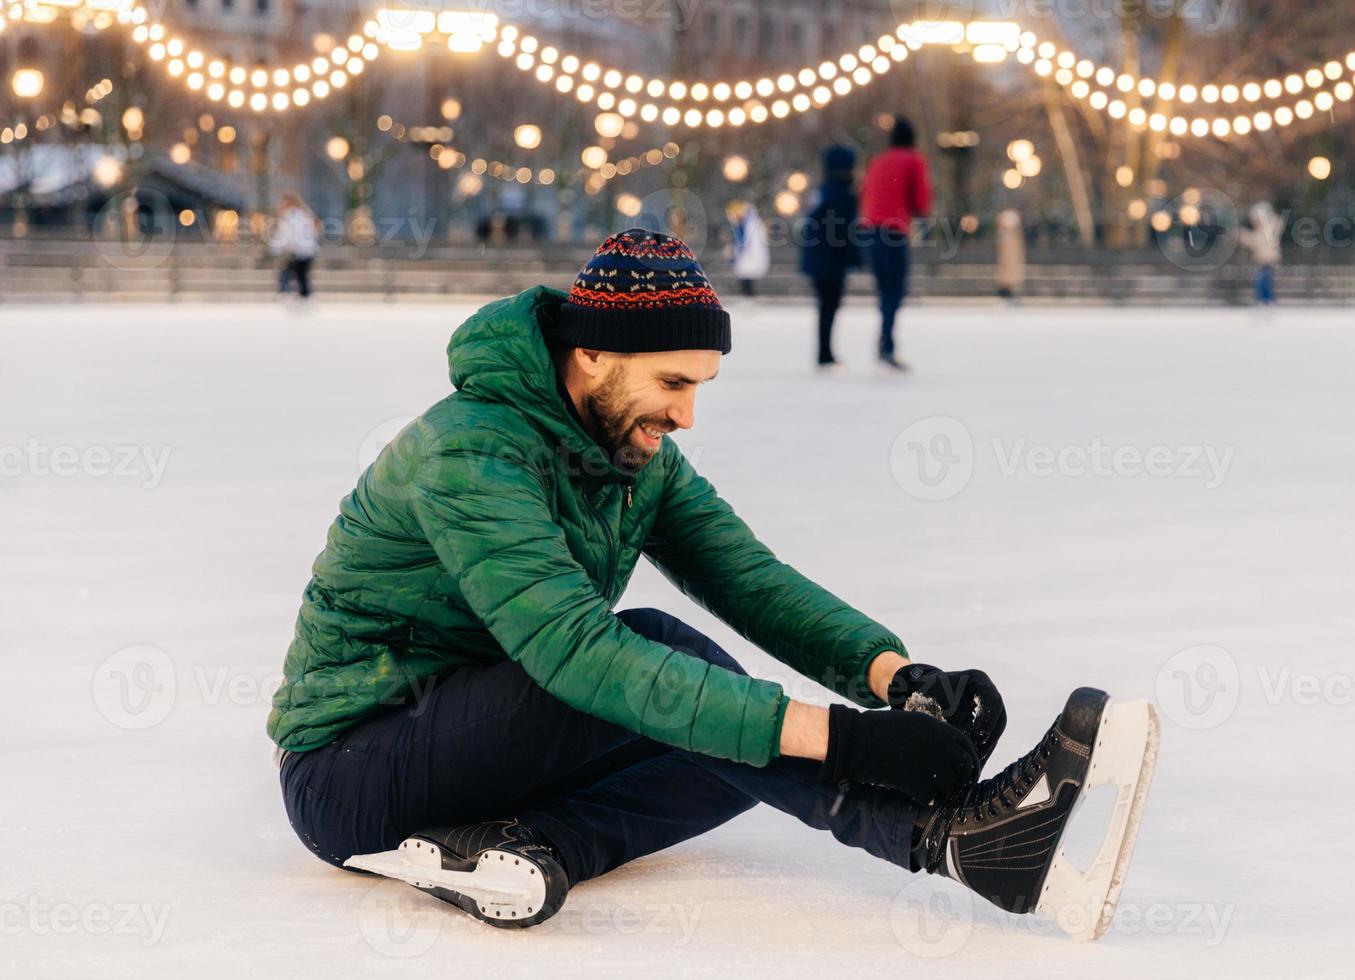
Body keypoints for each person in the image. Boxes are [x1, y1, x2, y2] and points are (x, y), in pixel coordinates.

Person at [268, 229, 1158, 940]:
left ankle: (526, 849)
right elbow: (576, 653)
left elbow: (749, 580)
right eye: (672, 382)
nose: (687, 413)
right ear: (589, 358)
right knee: (674, 670)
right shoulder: (470, 451)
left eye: (701, 385)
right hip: (352, 768)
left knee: (729, 743)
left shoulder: (634, 451)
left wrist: (893, 676)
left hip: (478, 746)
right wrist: (845, 741)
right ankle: (946, 842)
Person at [859, 116, 932, 371]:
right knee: (895, 289)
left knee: (884, 289)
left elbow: (866, 193)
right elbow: (921, 201)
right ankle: (886, 343)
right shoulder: (913, 160)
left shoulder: (878, 161)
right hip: (894, 230)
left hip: (871, 229)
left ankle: (885, 338)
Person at [798, 145, 863, 374]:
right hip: (830, 262)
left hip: (820, 260)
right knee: (829, 307)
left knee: (825, 307)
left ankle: (825, 352)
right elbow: (844, 231)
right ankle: (825, 354)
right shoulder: (842, 193)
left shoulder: (824, 190)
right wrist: (855, 257)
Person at [270, 193, 319, 299]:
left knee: (287, 273)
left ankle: (286, 294)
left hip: (298, 252)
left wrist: (275, 249)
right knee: (302, 276)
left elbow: (286, 236)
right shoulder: (305, 215)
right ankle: (304, 296)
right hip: (307, 251)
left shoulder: (290, 216)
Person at [1241, 201, 1283, 305]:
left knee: (1264, 282)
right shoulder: (1261, 231)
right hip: (1262, 259)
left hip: (1268, 259)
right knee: (1263, 282)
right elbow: (1255, 242)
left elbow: (1257, 241)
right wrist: (1244, 236)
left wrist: (1245, 236)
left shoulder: (1269, 229)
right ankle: (1265, 300)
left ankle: (1267, 300)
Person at [727, 200, 770, 297]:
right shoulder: (741, 225)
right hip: (743, 256)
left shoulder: (753, 225)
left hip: (750, 255)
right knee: (744, 276)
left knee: (748, 276)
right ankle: (747, 295)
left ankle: (749, 295)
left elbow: (756, 243)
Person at [995, 208, 1026, 302]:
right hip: (1006, 265)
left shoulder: (1015, 236)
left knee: (1012, 273)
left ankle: (1010, 292)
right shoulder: (1003, 235)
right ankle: (1005, 293)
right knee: (1006, 274)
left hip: (1012, 263)